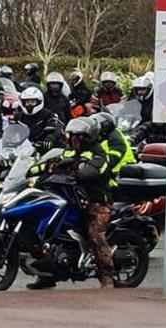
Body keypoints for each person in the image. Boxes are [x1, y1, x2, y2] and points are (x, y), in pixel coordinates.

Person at [45, 116, 121, 290]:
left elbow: (94, 170)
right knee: (49, 230)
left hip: (96, 201)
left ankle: (107, 276)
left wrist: (77, 173)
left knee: (95, 234)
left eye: (77, 137)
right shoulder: (69, 151)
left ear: (87, 138)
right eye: (71, 136)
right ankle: (47, 275)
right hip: (71, 200)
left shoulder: (99, 154)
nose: (73, 140)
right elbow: (53, 162)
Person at [17, 86, 64, 150]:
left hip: (42, 147)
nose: (30, 104)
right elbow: (10, 130)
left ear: (39, 101)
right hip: (22, 148)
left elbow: (57, 127)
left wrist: (51, 138)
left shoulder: (47, 114)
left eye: (33, 102)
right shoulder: (19, 116)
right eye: (27, 102)